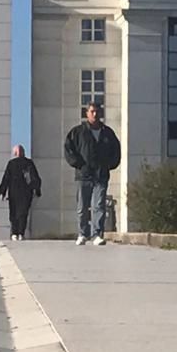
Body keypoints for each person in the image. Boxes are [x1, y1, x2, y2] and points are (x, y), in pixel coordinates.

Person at [63, 102, 121, 245]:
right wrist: (79, 165)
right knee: (82, 206)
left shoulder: (108, 133)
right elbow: (69, 149)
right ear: (86, 113)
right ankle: (82, 233)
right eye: (92, 111)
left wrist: (109, 165)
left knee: (99, 205)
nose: (95, 114)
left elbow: (116, 151)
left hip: (101, 175)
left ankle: (97, 234)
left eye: (97, 112)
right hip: (84, 175)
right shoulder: (77, 132)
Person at [0, 144, 42, 241]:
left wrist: (2, 192)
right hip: (26, 193)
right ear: (23, 152)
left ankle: (14, 233)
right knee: (23, 213)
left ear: (15, 153)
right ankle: (21, 233)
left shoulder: (11, 163)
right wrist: (37, 191)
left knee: (14, 213)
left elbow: (6, 179)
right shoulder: (29, 163)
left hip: (14, 193)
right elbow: (35, 178)